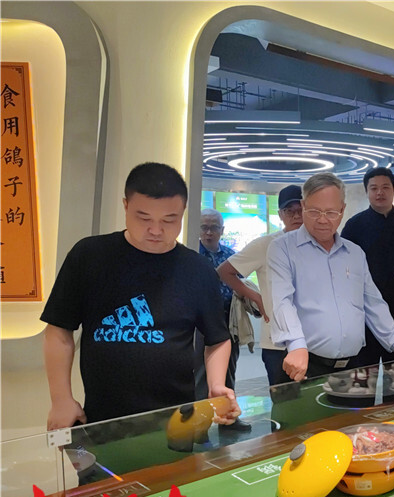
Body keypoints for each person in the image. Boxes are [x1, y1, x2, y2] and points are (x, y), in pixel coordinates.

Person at [41, 162, 240, 429]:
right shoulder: (89, 256)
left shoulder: (198, 269)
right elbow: (59, 330)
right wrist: (61, 399)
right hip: (101, 418)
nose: (156, 230)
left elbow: (217, 339)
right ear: (125, 206)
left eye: (169, 220)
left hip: (177, 420)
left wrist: (216, 385)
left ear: (183, 212)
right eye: (144, 218)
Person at [268, 173, 394, 381]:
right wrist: (296, 344)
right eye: (314, 211)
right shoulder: (283, 248)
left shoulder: (354, 253)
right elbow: (282, 301)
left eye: (331, 212)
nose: (322, 219)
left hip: (354, 366)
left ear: (342, 210)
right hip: (306, 365)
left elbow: (373, 304)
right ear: (303, 205)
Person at [217, 185, 304, 387]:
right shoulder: (266, 244)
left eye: (300, 210)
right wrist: (255, 296)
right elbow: (224, 271)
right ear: (280, 214)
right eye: (289, 211)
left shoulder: (317, 245)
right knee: (284, 399)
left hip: (313, 340)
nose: (296, 216)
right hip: (277, 341)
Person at [341, 167, 394, 368]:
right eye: (374, 188)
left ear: (393, 190)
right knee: (365, 369)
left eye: (385, 187)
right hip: (365, 309)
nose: (380, 193)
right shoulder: (354, 225)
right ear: (366, 191)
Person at [195, 208, 237, 394]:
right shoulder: (192, 254)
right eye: (204, 227)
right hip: (199, 322)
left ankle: (228, 409)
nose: (209, 232)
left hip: (228, 320)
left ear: (222, 230)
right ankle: (200, 410)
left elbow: (241, 283)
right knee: (200, 370)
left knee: (229, 369)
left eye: (214, 227)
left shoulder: (231, 256)